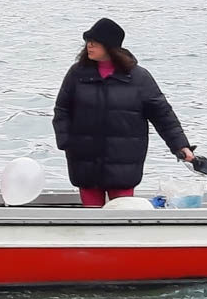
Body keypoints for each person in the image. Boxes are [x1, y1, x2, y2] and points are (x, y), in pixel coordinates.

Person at [53, 18, 194, 208]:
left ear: (110, 46)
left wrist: (181, 146)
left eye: (95, 42)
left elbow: (163, 115)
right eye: (88, 41)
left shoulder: (139, 77)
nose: (89, 45)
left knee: (122, 215)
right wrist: (66, 141)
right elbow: (62, 110)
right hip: (84, 161)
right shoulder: (77, 74)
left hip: (124, 163)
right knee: (91, 217)